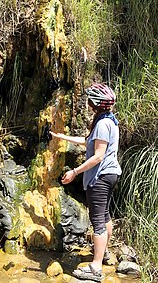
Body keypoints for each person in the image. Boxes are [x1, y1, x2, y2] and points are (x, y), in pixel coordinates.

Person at [50, 83, 122, 281]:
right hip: (111, 174)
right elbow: (88, 141)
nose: (88, 102)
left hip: (100, 177)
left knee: (97, 221)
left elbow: (98, 156)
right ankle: (103, 253)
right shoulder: (109, 120)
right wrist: (63, 136)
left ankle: (95, 268)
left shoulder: (102, 123)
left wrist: (75, 171)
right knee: (105, 216)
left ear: (96, 103)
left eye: (90, 99)